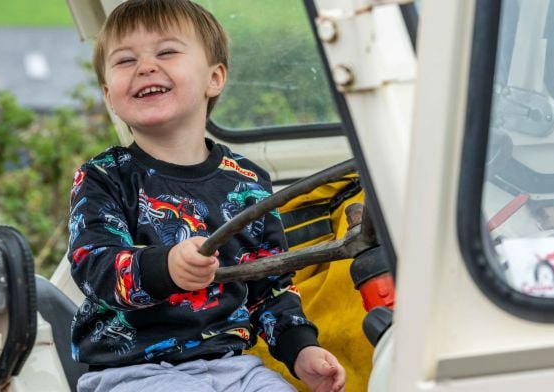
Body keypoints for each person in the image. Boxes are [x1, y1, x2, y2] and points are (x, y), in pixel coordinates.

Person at [67, 1, 346, 391]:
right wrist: (167, 268)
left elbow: (271, 286)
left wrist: (301, 350)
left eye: (166, 52)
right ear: (110, 95)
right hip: (132, 372)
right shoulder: (103, 177)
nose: (145, 66)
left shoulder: (247, 181)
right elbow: (94, 267)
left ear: (214, 78)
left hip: (234, 367)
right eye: (125, 60)